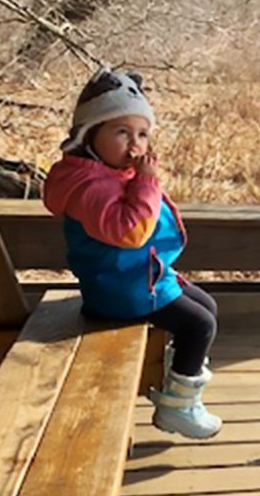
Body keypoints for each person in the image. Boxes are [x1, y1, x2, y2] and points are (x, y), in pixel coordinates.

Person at [43, 68, 221, 439]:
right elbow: (129, 232)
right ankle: (178, 406)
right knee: (200, 324)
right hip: (121, 290)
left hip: (131, 276)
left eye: (142, 133)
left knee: (207, 306)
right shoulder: (90, 185)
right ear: (89, 135)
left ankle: (175, 379)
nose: (135, 144)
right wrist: (146, 182)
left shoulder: (104, 173)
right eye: (121, 132)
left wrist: (139, 181)